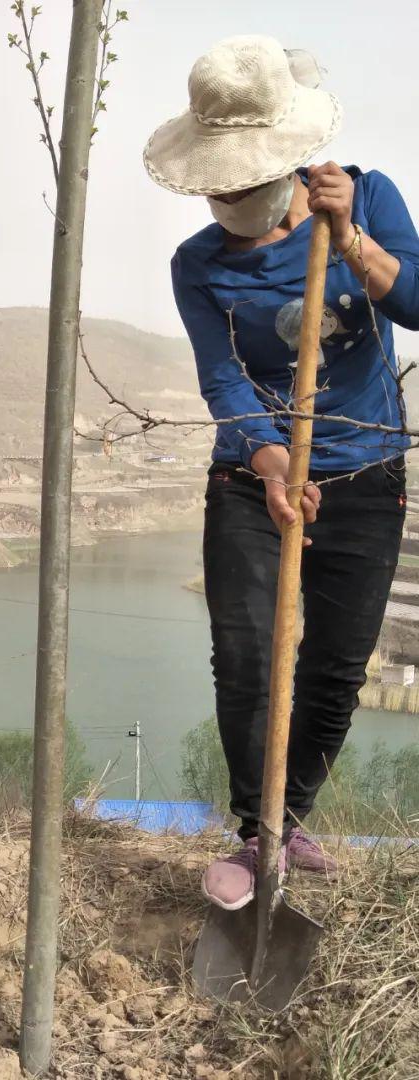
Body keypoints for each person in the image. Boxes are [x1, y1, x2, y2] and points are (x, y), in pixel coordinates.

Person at [144, 36, 418, 909]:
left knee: (337, 666)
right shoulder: (198, 266)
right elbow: (224, 379)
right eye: (213, 186)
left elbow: (415, 300)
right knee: (250, 656)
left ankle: (289, 817)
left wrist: (352, 241)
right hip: (251, 481)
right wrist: (267, 462)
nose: (226, 199)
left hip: (366, 471)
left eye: (240, 183)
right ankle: (257, 834)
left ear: (285, 164)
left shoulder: (364, 196)